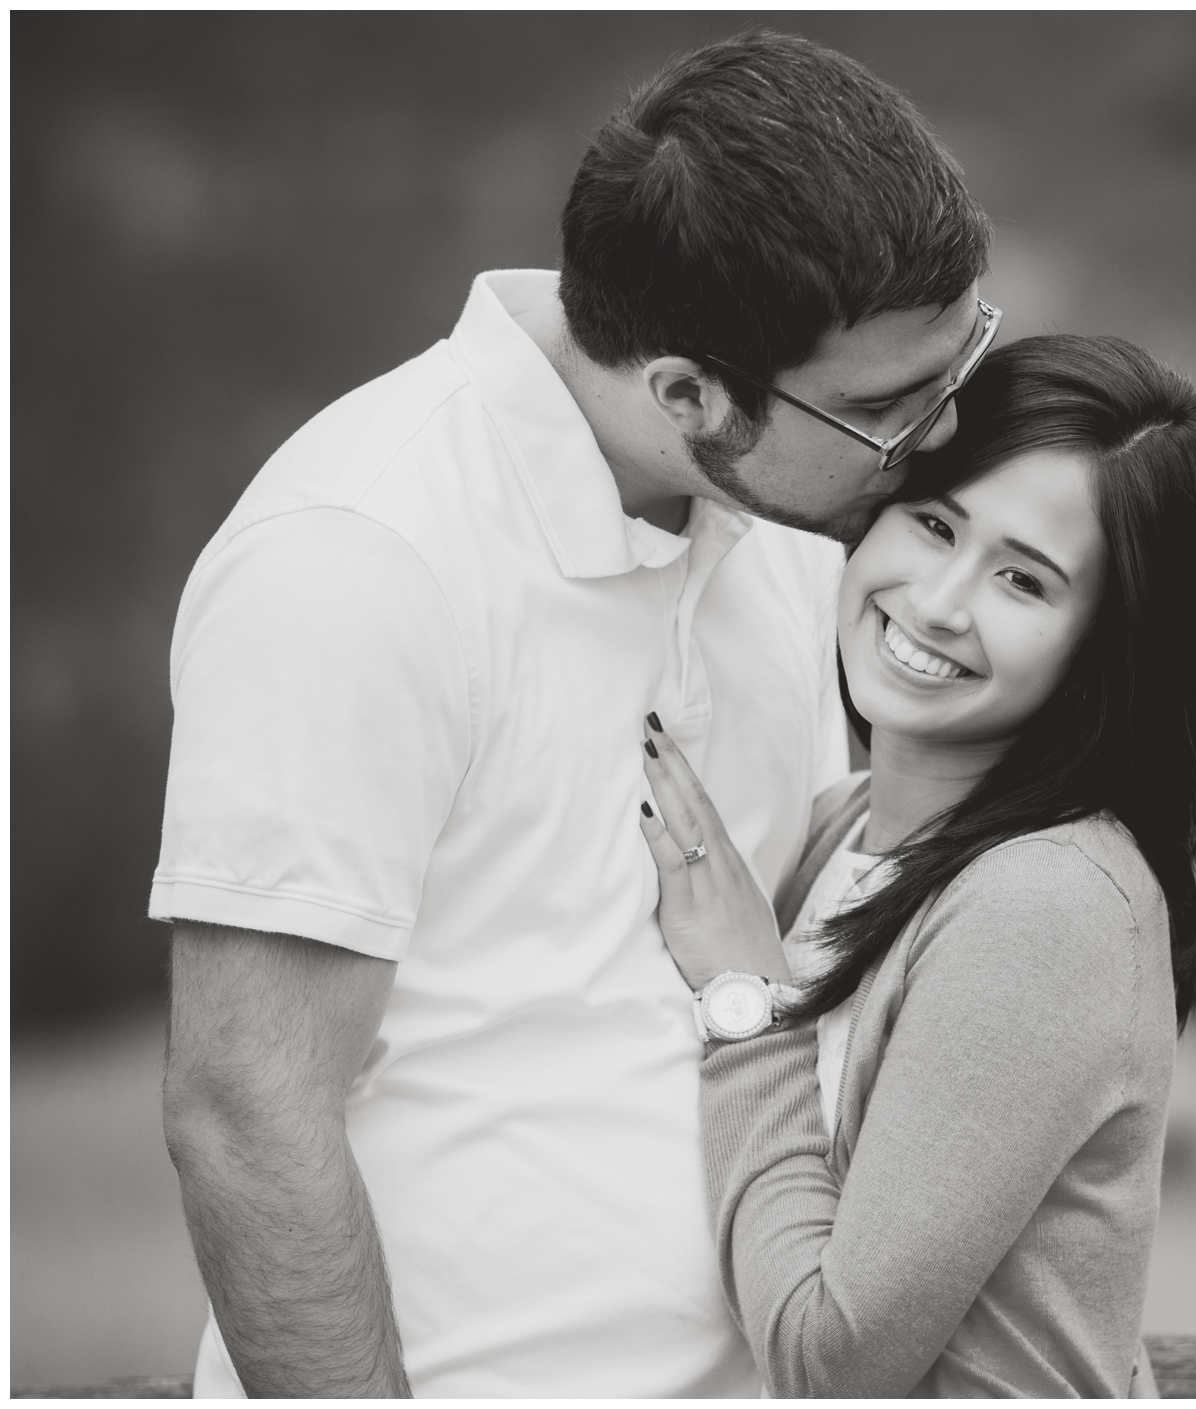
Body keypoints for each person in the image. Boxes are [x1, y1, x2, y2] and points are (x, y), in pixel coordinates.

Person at [152, 33, 994, 1398]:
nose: (943, 437)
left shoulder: (785, 508)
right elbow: (247, 1114)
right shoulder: (356, 557)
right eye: (890, 411)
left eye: (960, 365)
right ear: (685, 394)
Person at [635, 334, 1196, 1396]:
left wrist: (747, 1003)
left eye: (1022, 578)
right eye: (933, 522)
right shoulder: (847, 833)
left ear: (1110, 648)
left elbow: (833, 1357)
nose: (935, 601)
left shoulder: (1049, 903)